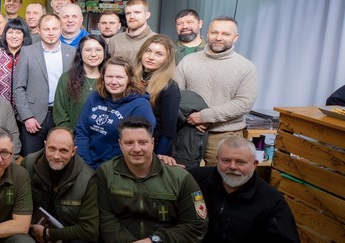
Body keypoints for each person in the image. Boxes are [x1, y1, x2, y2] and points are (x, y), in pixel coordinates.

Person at [174, 16, 258, 165]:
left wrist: (205, 116)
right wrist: (190, 118)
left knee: (221, 177)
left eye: (226, 34)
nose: (218, 37)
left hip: (224, 134)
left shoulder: (246, 67)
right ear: (207, 34)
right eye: (214, 32)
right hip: (189, 131)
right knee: (184, 176)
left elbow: (244, 103)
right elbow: (175, 94)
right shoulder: (188, 61)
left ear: (236, 37)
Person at [75, 56, 156, 169]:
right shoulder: (94, 97)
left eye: (119, 77)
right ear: (103, 77)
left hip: (118, 167)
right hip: (86, 162)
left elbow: (137, 145)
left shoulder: (140, 105)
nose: (113, 82)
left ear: (129, 79)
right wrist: (86, 163)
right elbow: (81, 132)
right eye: (109, 76)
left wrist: (106, 169)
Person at [13, 13, 76, 155]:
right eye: (47, 29)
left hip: (62, 116)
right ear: (39, 30)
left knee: (59, 157)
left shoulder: (72, 53)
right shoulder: (27, 52)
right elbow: (18, 88)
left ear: (61, 29)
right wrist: (27, 117)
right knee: (31, 159)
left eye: (55, 28)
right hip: (34, 117)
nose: (51, 33)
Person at [135, 35, 181, 156]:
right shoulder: (130, 78)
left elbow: (168, 132)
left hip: (154, 146)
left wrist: (157, 157)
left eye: (159, 54)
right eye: (148, 51)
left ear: (167, 59)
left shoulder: (170, 87)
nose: (151, 57)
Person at [53, 33, 107, 131]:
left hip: (104, 137)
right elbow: (60, 112)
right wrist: (70, 135)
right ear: (80, 53)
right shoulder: (67, 78)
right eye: (88, 50)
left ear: (104, 53)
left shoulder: (111, 80)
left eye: (98, 50)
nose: (93, 54)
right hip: (73, 136)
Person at [0, 17, 31, 106]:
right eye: (10, 32)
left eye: (18, 32)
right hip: (0, 109)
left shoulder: (31, 57)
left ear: (24, 36)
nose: (14, 36)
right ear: (5, 35)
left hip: (25, 109)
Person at [107, 0, 156, 64]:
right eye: (128, 13)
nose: (132, 16)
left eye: (137, 12)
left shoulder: (157, 40)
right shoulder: (114, 41)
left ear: (147, 15)